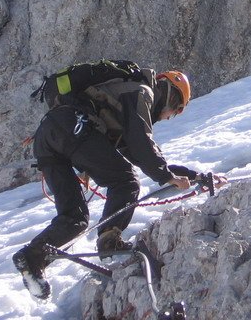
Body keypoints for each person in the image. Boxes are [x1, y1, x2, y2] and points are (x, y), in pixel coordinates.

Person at [13, 69, 226, 300]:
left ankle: (31, 259)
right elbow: (142, 143)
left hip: (49, 137)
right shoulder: (141, 92)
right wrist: (165, 177)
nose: (168, 116)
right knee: (126, 181)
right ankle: (109, 241)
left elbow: (139, 154)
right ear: (169, 95)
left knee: (75, 219)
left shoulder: (122, 110)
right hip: (74, 128)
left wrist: (194, 176)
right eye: (174, 109)